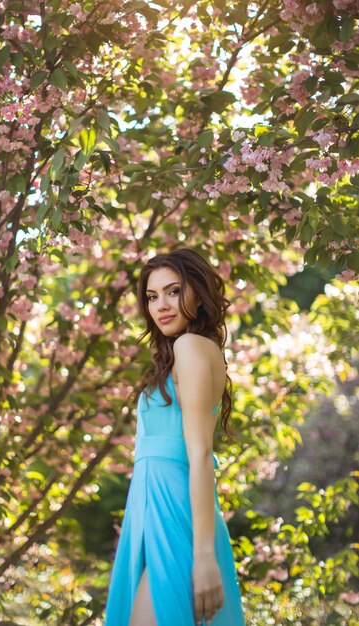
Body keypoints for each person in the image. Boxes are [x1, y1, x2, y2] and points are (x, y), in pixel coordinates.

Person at [104, 248, 245, 626]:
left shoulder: (190, 346)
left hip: (178, 515)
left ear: (198, 294)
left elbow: (199, 453)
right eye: (152, 297)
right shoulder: (183, 351)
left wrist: (203, 556)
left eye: (173, 291)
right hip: (154, 512)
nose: (161, 305)